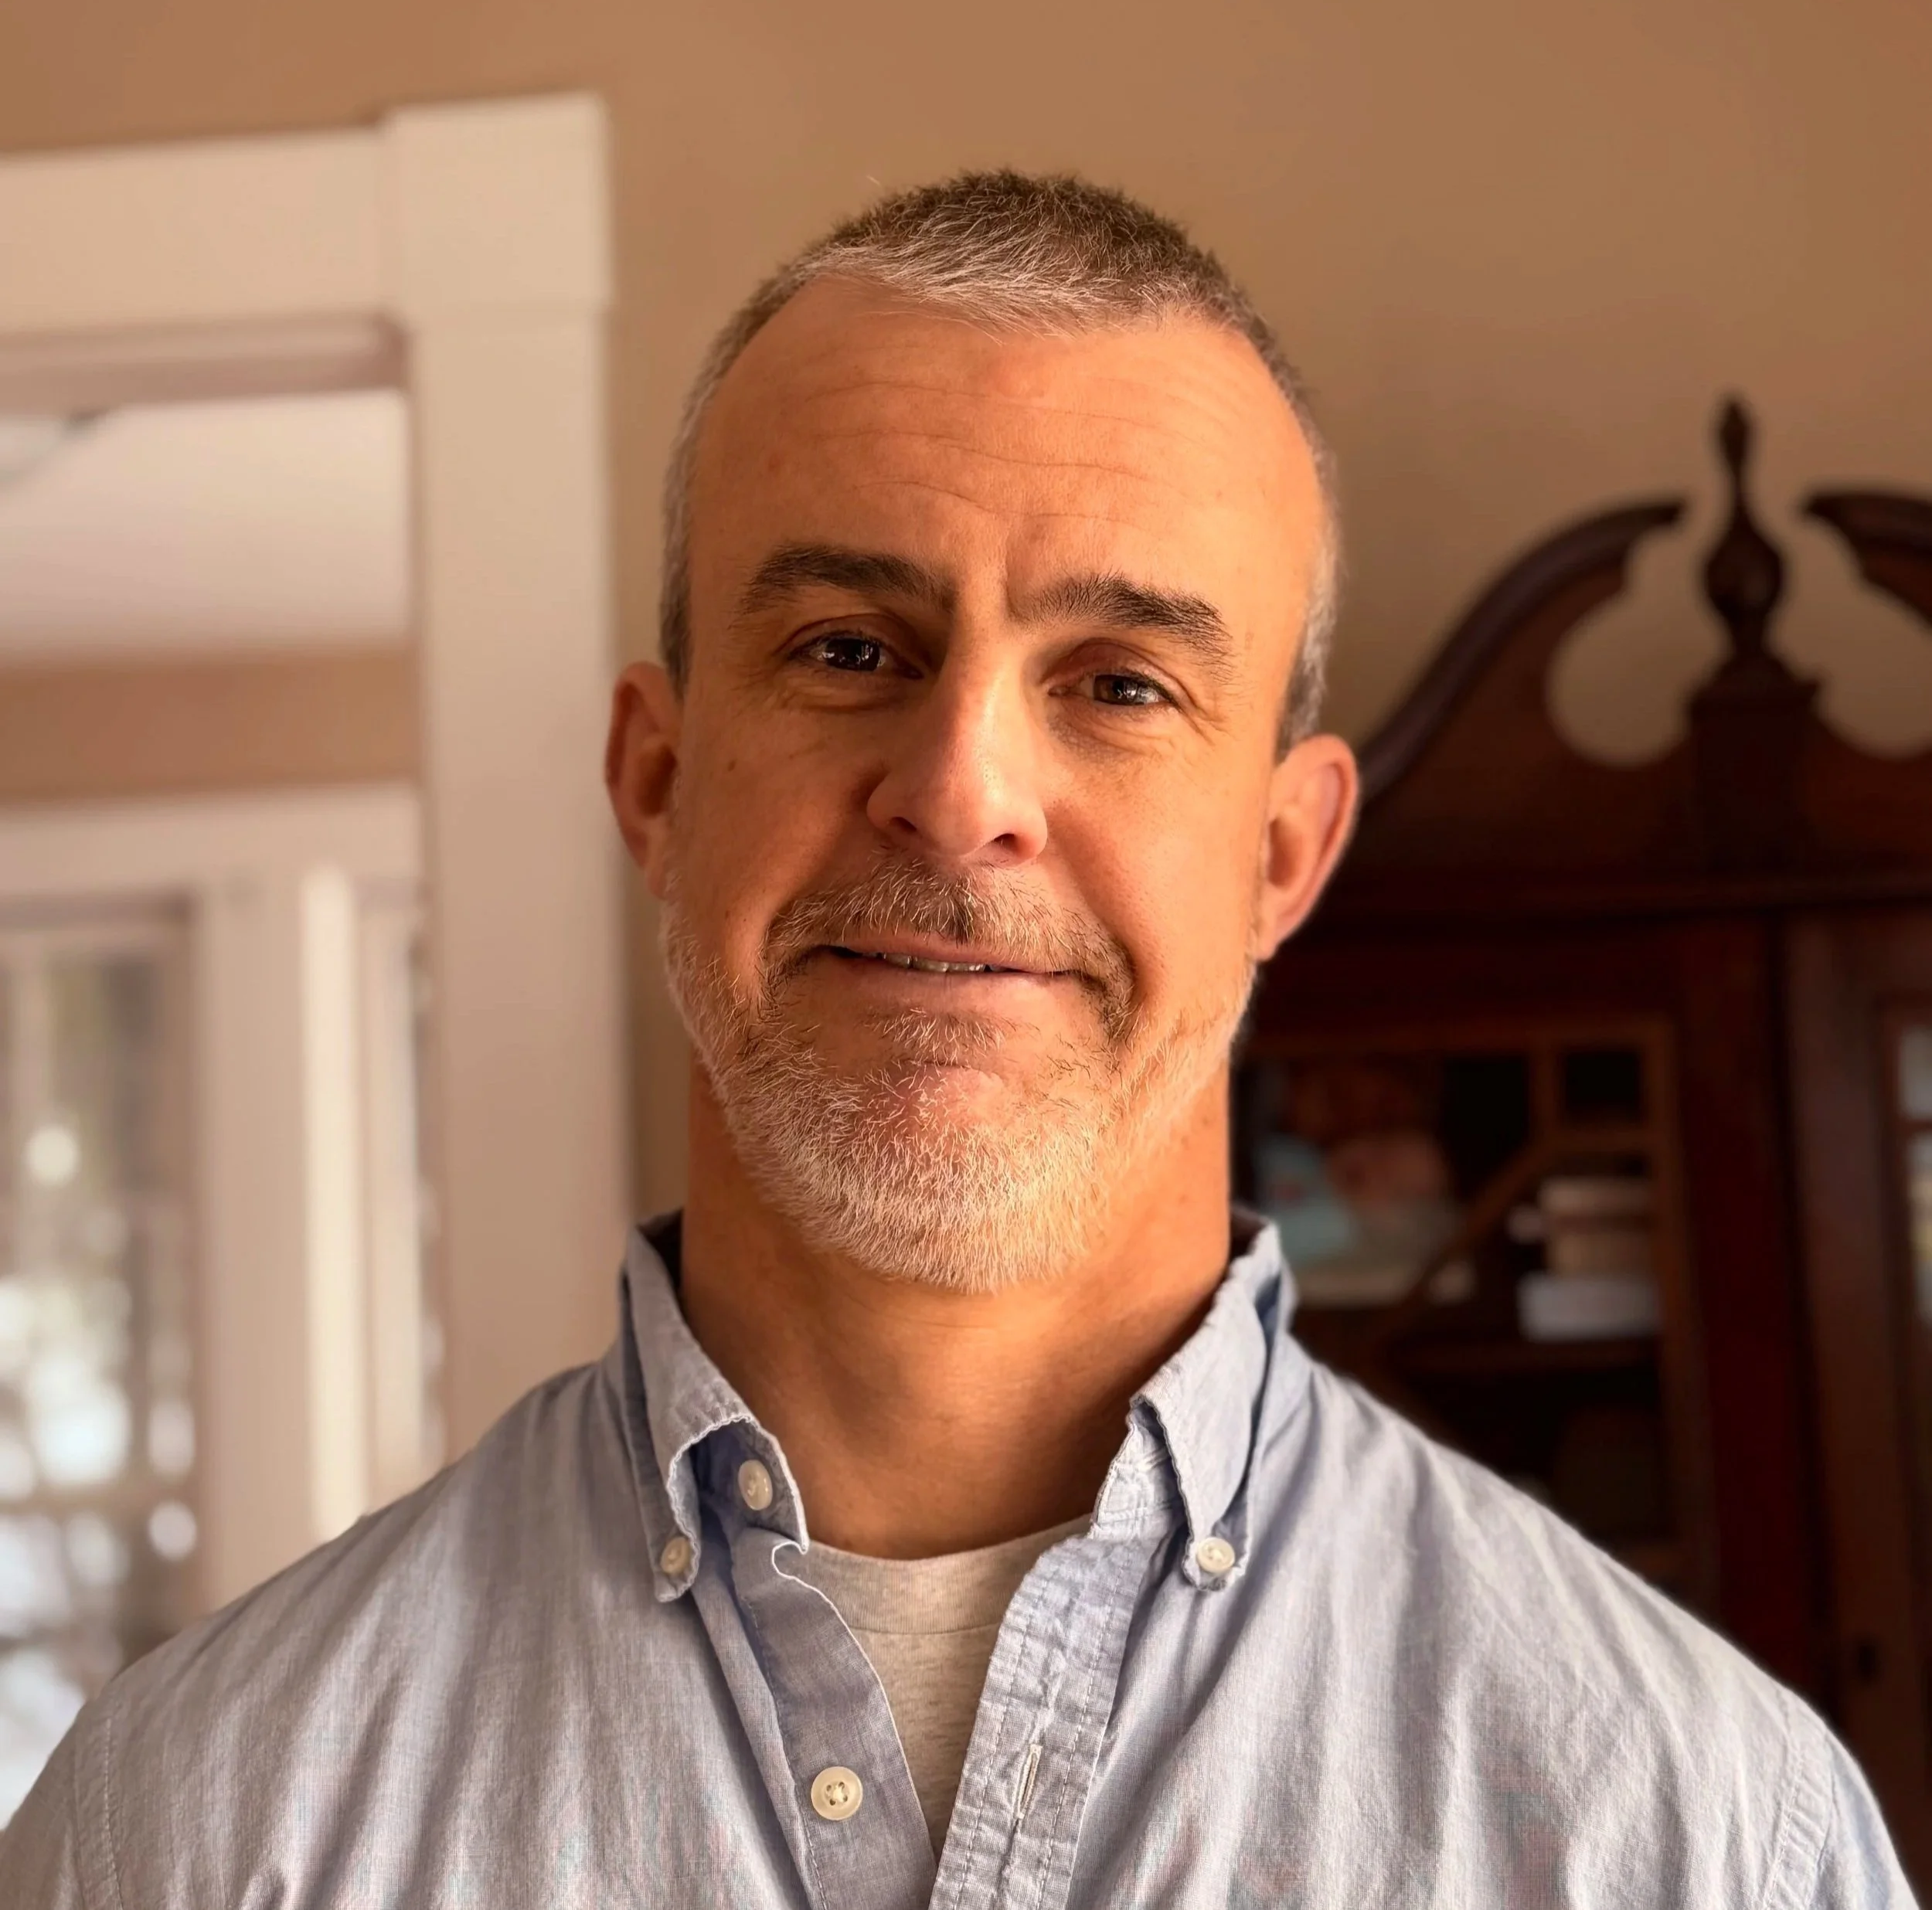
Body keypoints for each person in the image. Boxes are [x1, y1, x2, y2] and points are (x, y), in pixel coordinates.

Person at [0, 172, 1910, 1908]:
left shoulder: (1698, 1834)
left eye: (1119, 683)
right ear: (656, 781)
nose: (960, 788)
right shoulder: (184, 1831)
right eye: (848, 647)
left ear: (1280, 853)